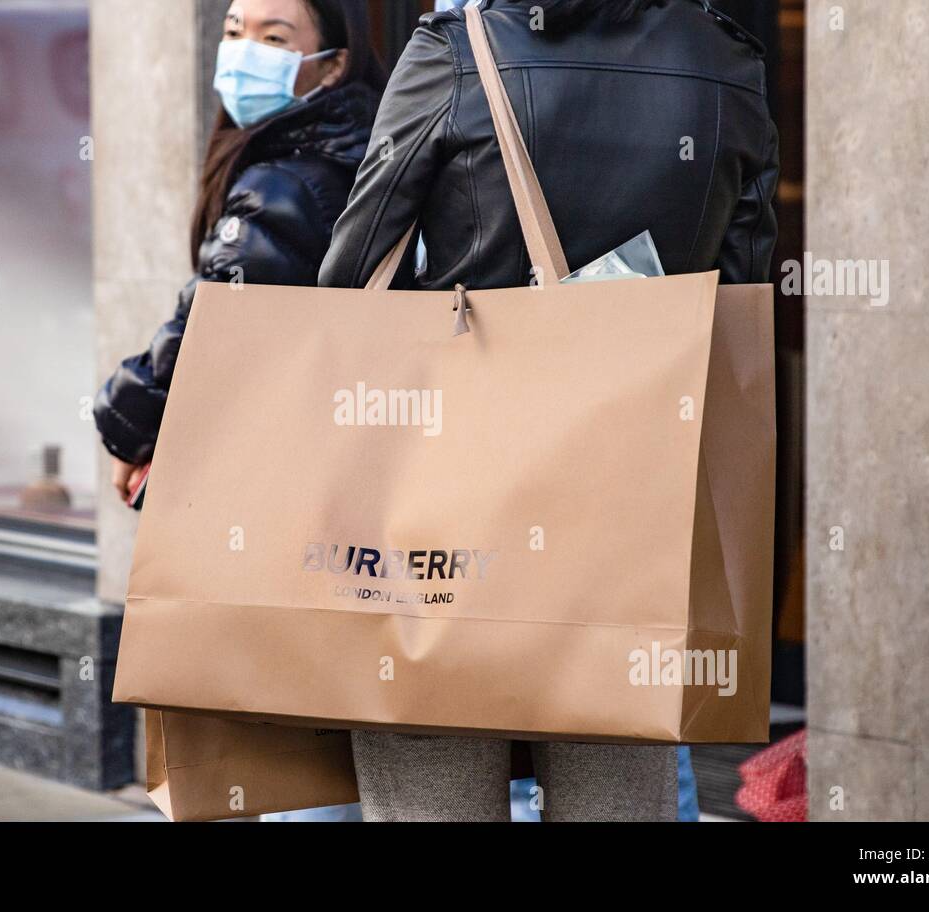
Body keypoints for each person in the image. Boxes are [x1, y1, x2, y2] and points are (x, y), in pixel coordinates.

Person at [319, 0, 779, 821]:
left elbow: (353, 282)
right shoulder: (726, 61)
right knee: (617, 778)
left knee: (432, 777)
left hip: (444, 510)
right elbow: (738, 295)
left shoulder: (453, 53)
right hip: (630, 504)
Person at [94, 0, 386, 491]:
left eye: (273, 40)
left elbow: (208, 322)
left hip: (283, 467)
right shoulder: (361, 151)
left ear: (333, 65)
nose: (244, 54)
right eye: (233, 32)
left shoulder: (282, 185)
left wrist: (129, 427)